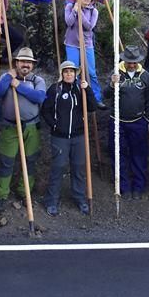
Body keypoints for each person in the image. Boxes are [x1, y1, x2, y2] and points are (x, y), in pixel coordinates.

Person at [0, 47, 47, 212]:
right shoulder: (7, 77)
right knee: (6, 163)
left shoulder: (37, 80)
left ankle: (25, 192)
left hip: (31, 127)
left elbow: (39, 97)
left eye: (29, 63)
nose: (25, 65)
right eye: (23, 61)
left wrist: (19, 86)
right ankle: (2, 195)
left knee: (29, 161)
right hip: (10, 127)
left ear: (32, 65)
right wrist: (9, 78)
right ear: (16, 63)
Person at [42, 61, 97, 216]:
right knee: (58, 168)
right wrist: (54, 125)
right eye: (66, 72)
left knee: (78, 168)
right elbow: (45, 110)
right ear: (61, 73)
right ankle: (52, 200)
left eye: (72, 72)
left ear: (75, 73)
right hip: (60, 137)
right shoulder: (55, 89)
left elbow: (92, 107)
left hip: (79, 136)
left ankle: (79, 198)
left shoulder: (81, 88)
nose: (69, 74)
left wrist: (88, 90)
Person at [105, 45, 149, 200]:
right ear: (124, 60)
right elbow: (105, 94)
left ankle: (138, 187)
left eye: (134, 62)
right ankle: (123, 187)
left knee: (139, 155)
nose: (132, 64)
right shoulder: (116, 73)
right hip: (117, 122)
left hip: (138, 122)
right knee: (118, 155)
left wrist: (148, 118)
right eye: (129, 62)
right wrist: (111, 84)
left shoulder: (145, 75)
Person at [64, 0, 104, 104]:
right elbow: (69, 22)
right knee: (73, 72)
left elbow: (89, 26)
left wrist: (80, 12)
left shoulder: (93, 11)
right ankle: (74, 97)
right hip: (72, 44)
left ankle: (96, 98)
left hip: (87, 45)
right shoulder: (70, 7)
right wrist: (75, 10)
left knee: (91, 72)